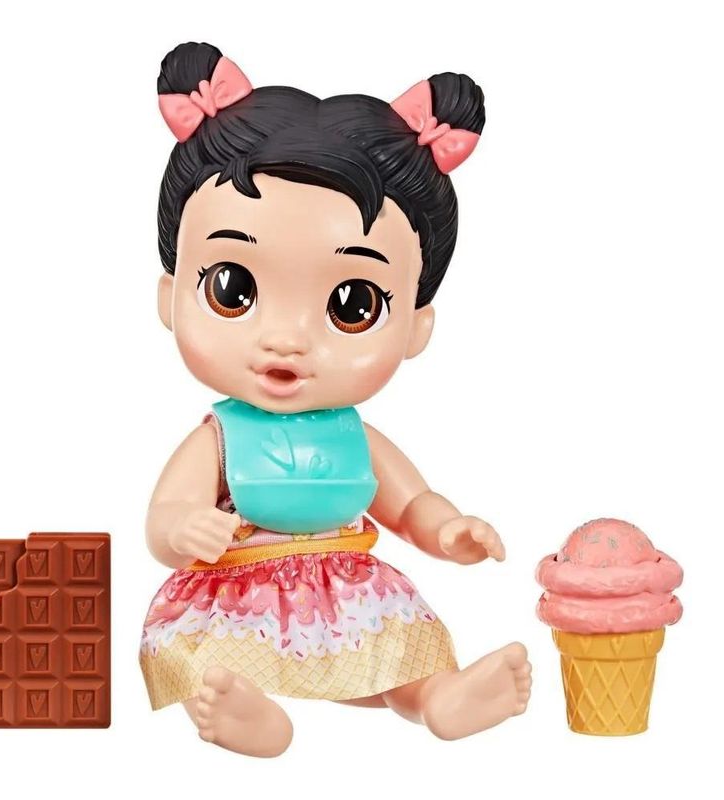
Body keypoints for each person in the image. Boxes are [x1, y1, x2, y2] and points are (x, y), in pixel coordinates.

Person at [139, 41, 531, 757]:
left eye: (352, 305)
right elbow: (165, 515)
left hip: (346, 585)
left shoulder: (356, 435)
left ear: (416, 327)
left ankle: (436, 699)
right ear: (171, 297)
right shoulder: (219, 436)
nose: (286, 340)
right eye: (234, 289)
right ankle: (245, 711)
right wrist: (183, 530)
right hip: (234, 588)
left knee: (398, 643)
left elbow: (409, 503)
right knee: (197, 653)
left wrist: (448, 531)